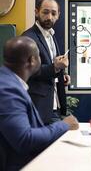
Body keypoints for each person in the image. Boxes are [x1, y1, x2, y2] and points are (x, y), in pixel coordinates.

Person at [0, 36, 79, 171]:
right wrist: (64, 125)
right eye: (40, 56)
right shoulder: (8, 90)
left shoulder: (9, 81)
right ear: (32, 60)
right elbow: (25, 140)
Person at [22, 0, 70, 124]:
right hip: (39, 109)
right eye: (45, 12)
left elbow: (48, 65)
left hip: (54, 106)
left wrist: (62, 74)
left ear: (58, 15)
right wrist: (55, 67)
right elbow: (29, 70)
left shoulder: (50, 35)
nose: (49, 17)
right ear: (36, 12)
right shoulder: (28, 38)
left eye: (53, 13)